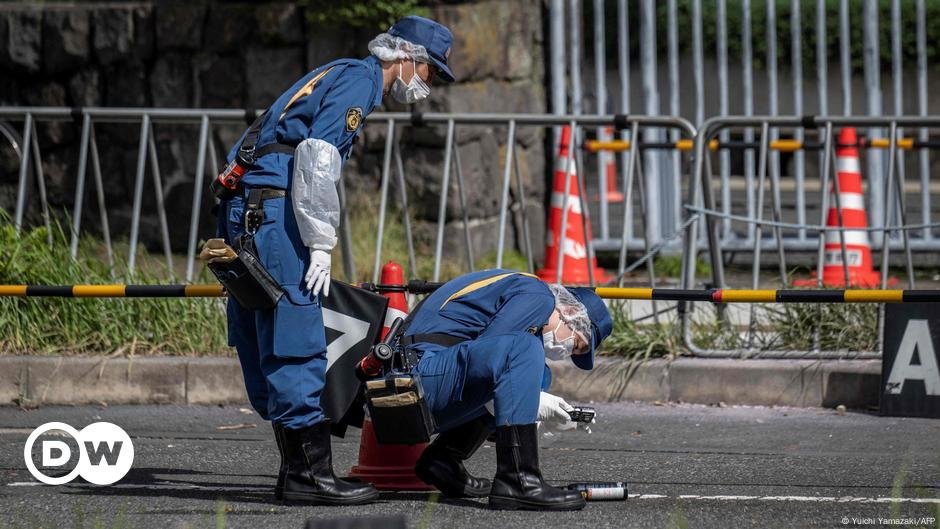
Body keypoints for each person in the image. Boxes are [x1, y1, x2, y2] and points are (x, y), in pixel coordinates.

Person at [215, 16, 456, 505]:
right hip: (277, 208)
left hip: (250, 205)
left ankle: (296, 470)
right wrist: (321, 241)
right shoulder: (360, 81)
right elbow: (318, 157)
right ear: (407, 58)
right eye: (430, 73)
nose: (427, 86)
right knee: (297, 328)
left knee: (264, 324)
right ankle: (310, 475)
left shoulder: (336, 70)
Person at [401, 269, 613, 510]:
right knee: (522, 350)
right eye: (576, 345)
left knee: (538, 374)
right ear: (572, 312)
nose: (566, 353)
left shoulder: (523, 291)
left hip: (419, 379)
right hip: (415, 380)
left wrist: (532, 404)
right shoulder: (538, 295)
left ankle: (443, 460)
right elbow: (496, 362)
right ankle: (519, 481)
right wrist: (535, 405)